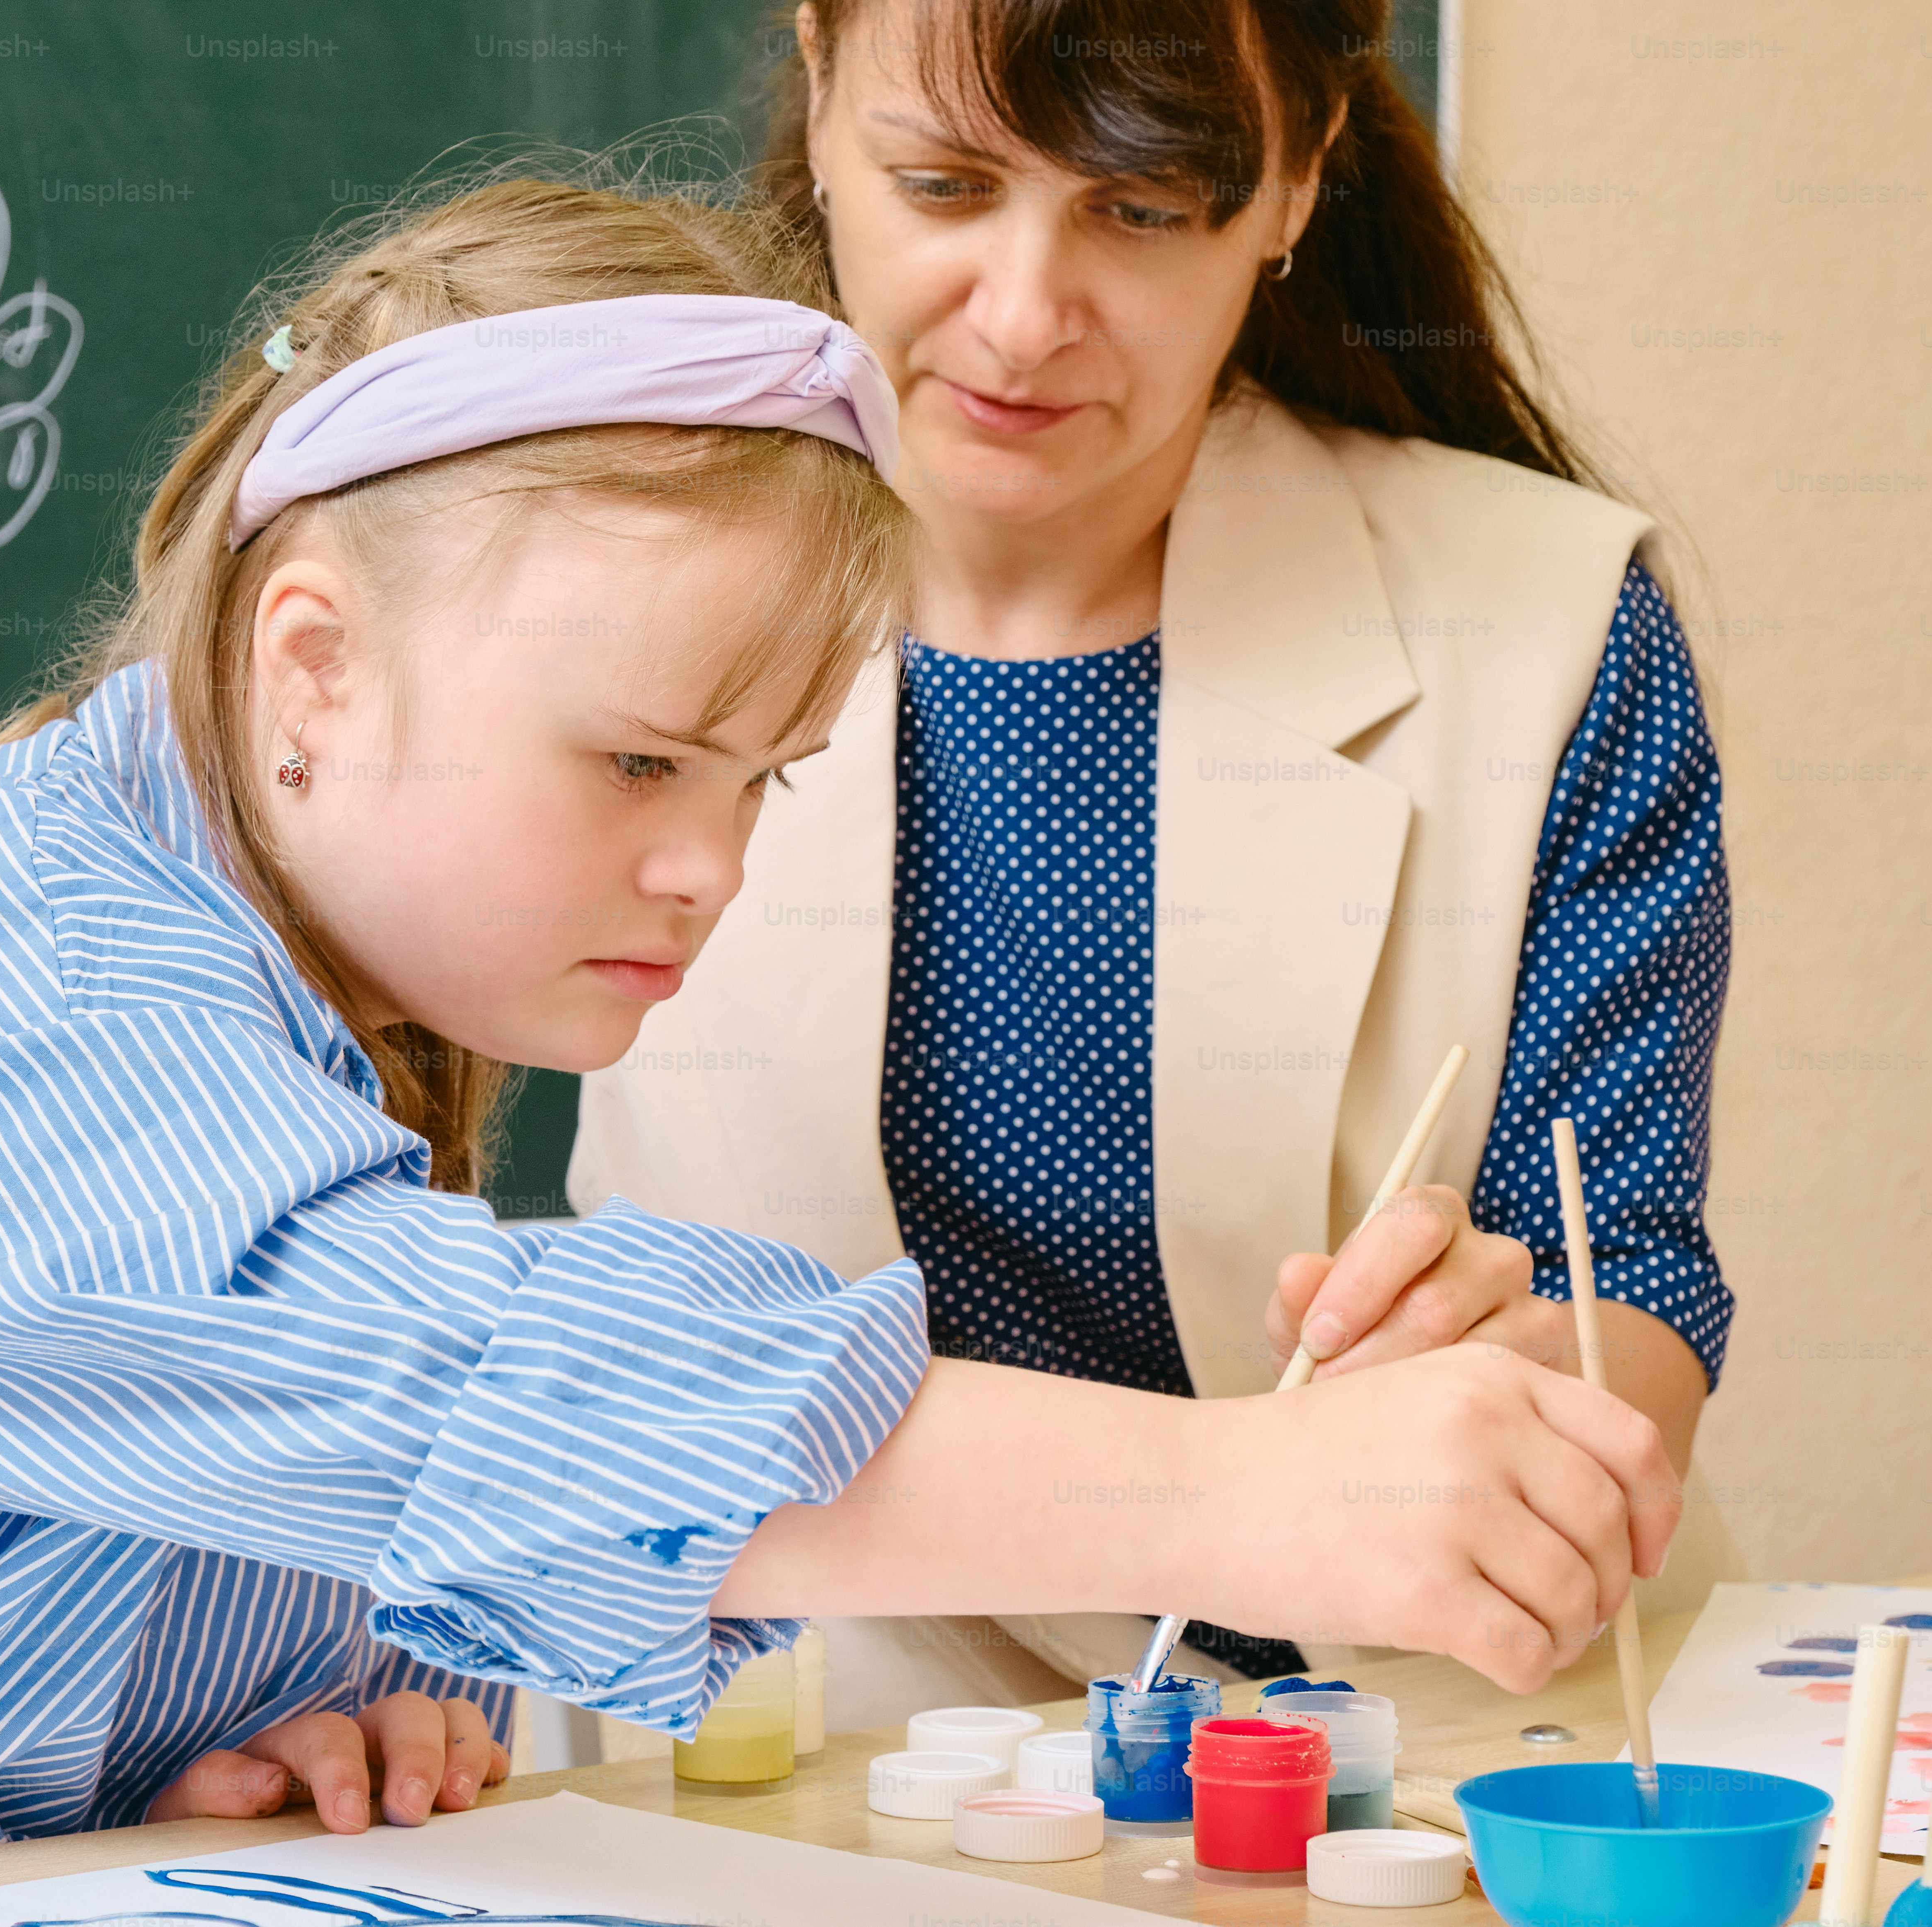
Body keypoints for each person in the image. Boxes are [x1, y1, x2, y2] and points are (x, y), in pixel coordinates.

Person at [0, 177, 1674, 1926]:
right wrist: (1249, 1496)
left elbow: (186, 1442)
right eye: (637, 765)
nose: (708, 870)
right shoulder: (18, 975)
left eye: (761, 779)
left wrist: (271, 1707)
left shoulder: (258, 1008)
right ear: (309, 661)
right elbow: (467, 1382)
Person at [560, 0, 1733, 1710]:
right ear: (816, 81)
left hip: (1425, 1739)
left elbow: (1628, 1280)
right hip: (826, 1759)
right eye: (944, 185)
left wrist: (1509, 1379)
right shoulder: (584, 567)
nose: (1023, 319)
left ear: (1296, 177)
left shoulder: (1545, 624)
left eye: (1139, 209)